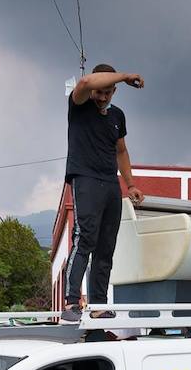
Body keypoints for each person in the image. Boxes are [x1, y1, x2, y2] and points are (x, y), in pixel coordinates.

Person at [62, 63, 145, 322]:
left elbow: (121, 151)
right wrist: (126, 75)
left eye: (109, 92)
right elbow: (86, 83)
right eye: (101, 92)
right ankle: (72, 303)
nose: (103, 97)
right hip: (85, 178)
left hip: (110, 183)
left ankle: (98, 304)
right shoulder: (79, 105)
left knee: (105, 247)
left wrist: (130, 184)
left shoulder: (117, 116)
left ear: (114, 92)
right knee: (84, 237)